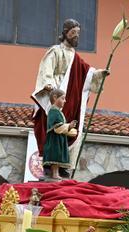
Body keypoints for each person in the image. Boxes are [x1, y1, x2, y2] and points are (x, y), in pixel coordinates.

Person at [31, 19, 108, 175]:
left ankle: (63, 165)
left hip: (70, 97)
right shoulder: (55, 51)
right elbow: (46, 72)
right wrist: (50, 88)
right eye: (73, 33)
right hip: (56, 96)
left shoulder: (76, 57)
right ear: (65, 33)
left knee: (69, 131)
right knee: (54, 131)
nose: (76, 37)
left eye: (78, 34)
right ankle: (50, 166)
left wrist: (100, 74)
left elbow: (87, 74)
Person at [42, 88, 78, 180]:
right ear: (55, 98)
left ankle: (56, 173)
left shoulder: (58, 111)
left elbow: (61, 127)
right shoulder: (53, 111)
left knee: (58, 156)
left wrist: (70, 128)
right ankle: (54, 173)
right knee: (56, 155)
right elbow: (57, 127)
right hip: (55, 139)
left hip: (59, 138)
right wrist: (69, 126)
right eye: (63, 98)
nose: (65, 101)